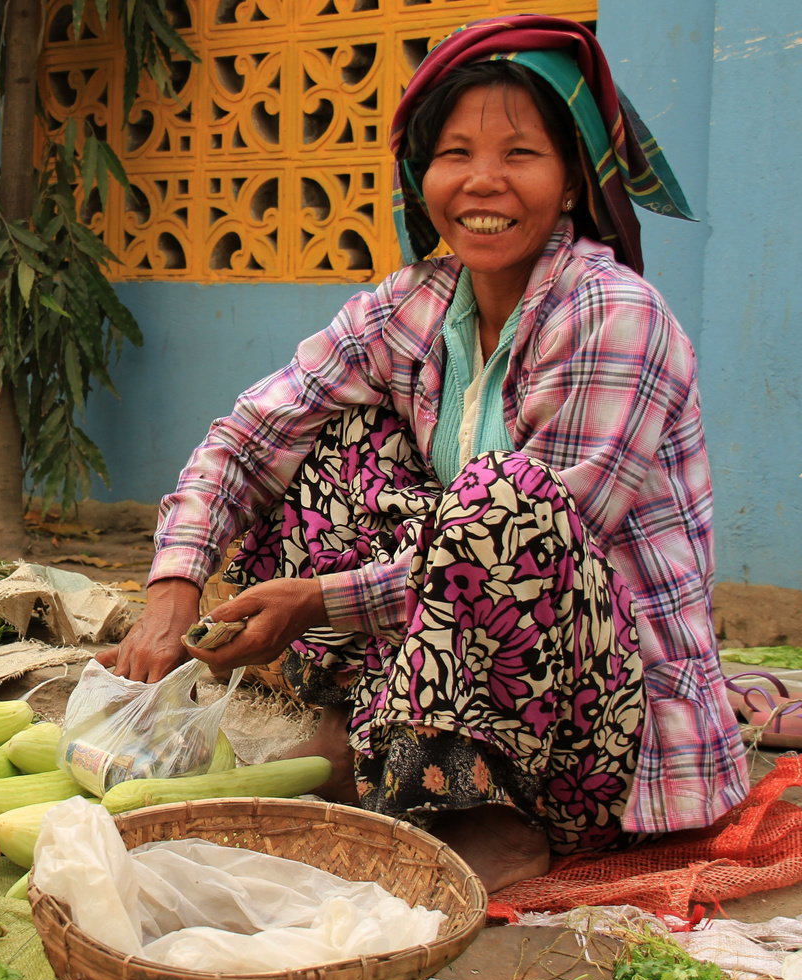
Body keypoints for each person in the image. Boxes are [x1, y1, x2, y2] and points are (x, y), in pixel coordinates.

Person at [95, 16, 748, 893]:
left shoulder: (610, 312)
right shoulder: (407, 308)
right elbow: (246, 437)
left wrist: (318, 599)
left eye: (520, 154)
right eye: (454, 153)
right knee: (333, 438)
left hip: (593, 728)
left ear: (568, 183)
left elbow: (537, 531)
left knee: (506, 496)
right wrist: (170, 596)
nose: (482, 182)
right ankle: (359, 739)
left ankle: (484, 812)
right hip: (447, 661)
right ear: (421, 174)